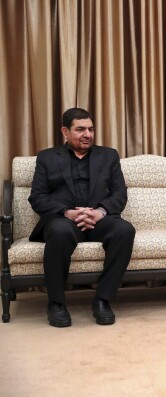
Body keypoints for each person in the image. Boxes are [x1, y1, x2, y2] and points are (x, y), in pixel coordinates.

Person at [29, 108, 135, 328]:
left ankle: (103, 300)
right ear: (65, 132)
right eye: (80, 129)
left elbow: (119, 194)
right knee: (59, 231)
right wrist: (67, 212)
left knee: (124, 230)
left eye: (91, 129)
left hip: (99, 218)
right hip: (63, 219)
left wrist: (99, 212)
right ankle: (56, 303)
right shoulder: (47, 157)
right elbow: (37, 197)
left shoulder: (109, 155)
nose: (87, 134)